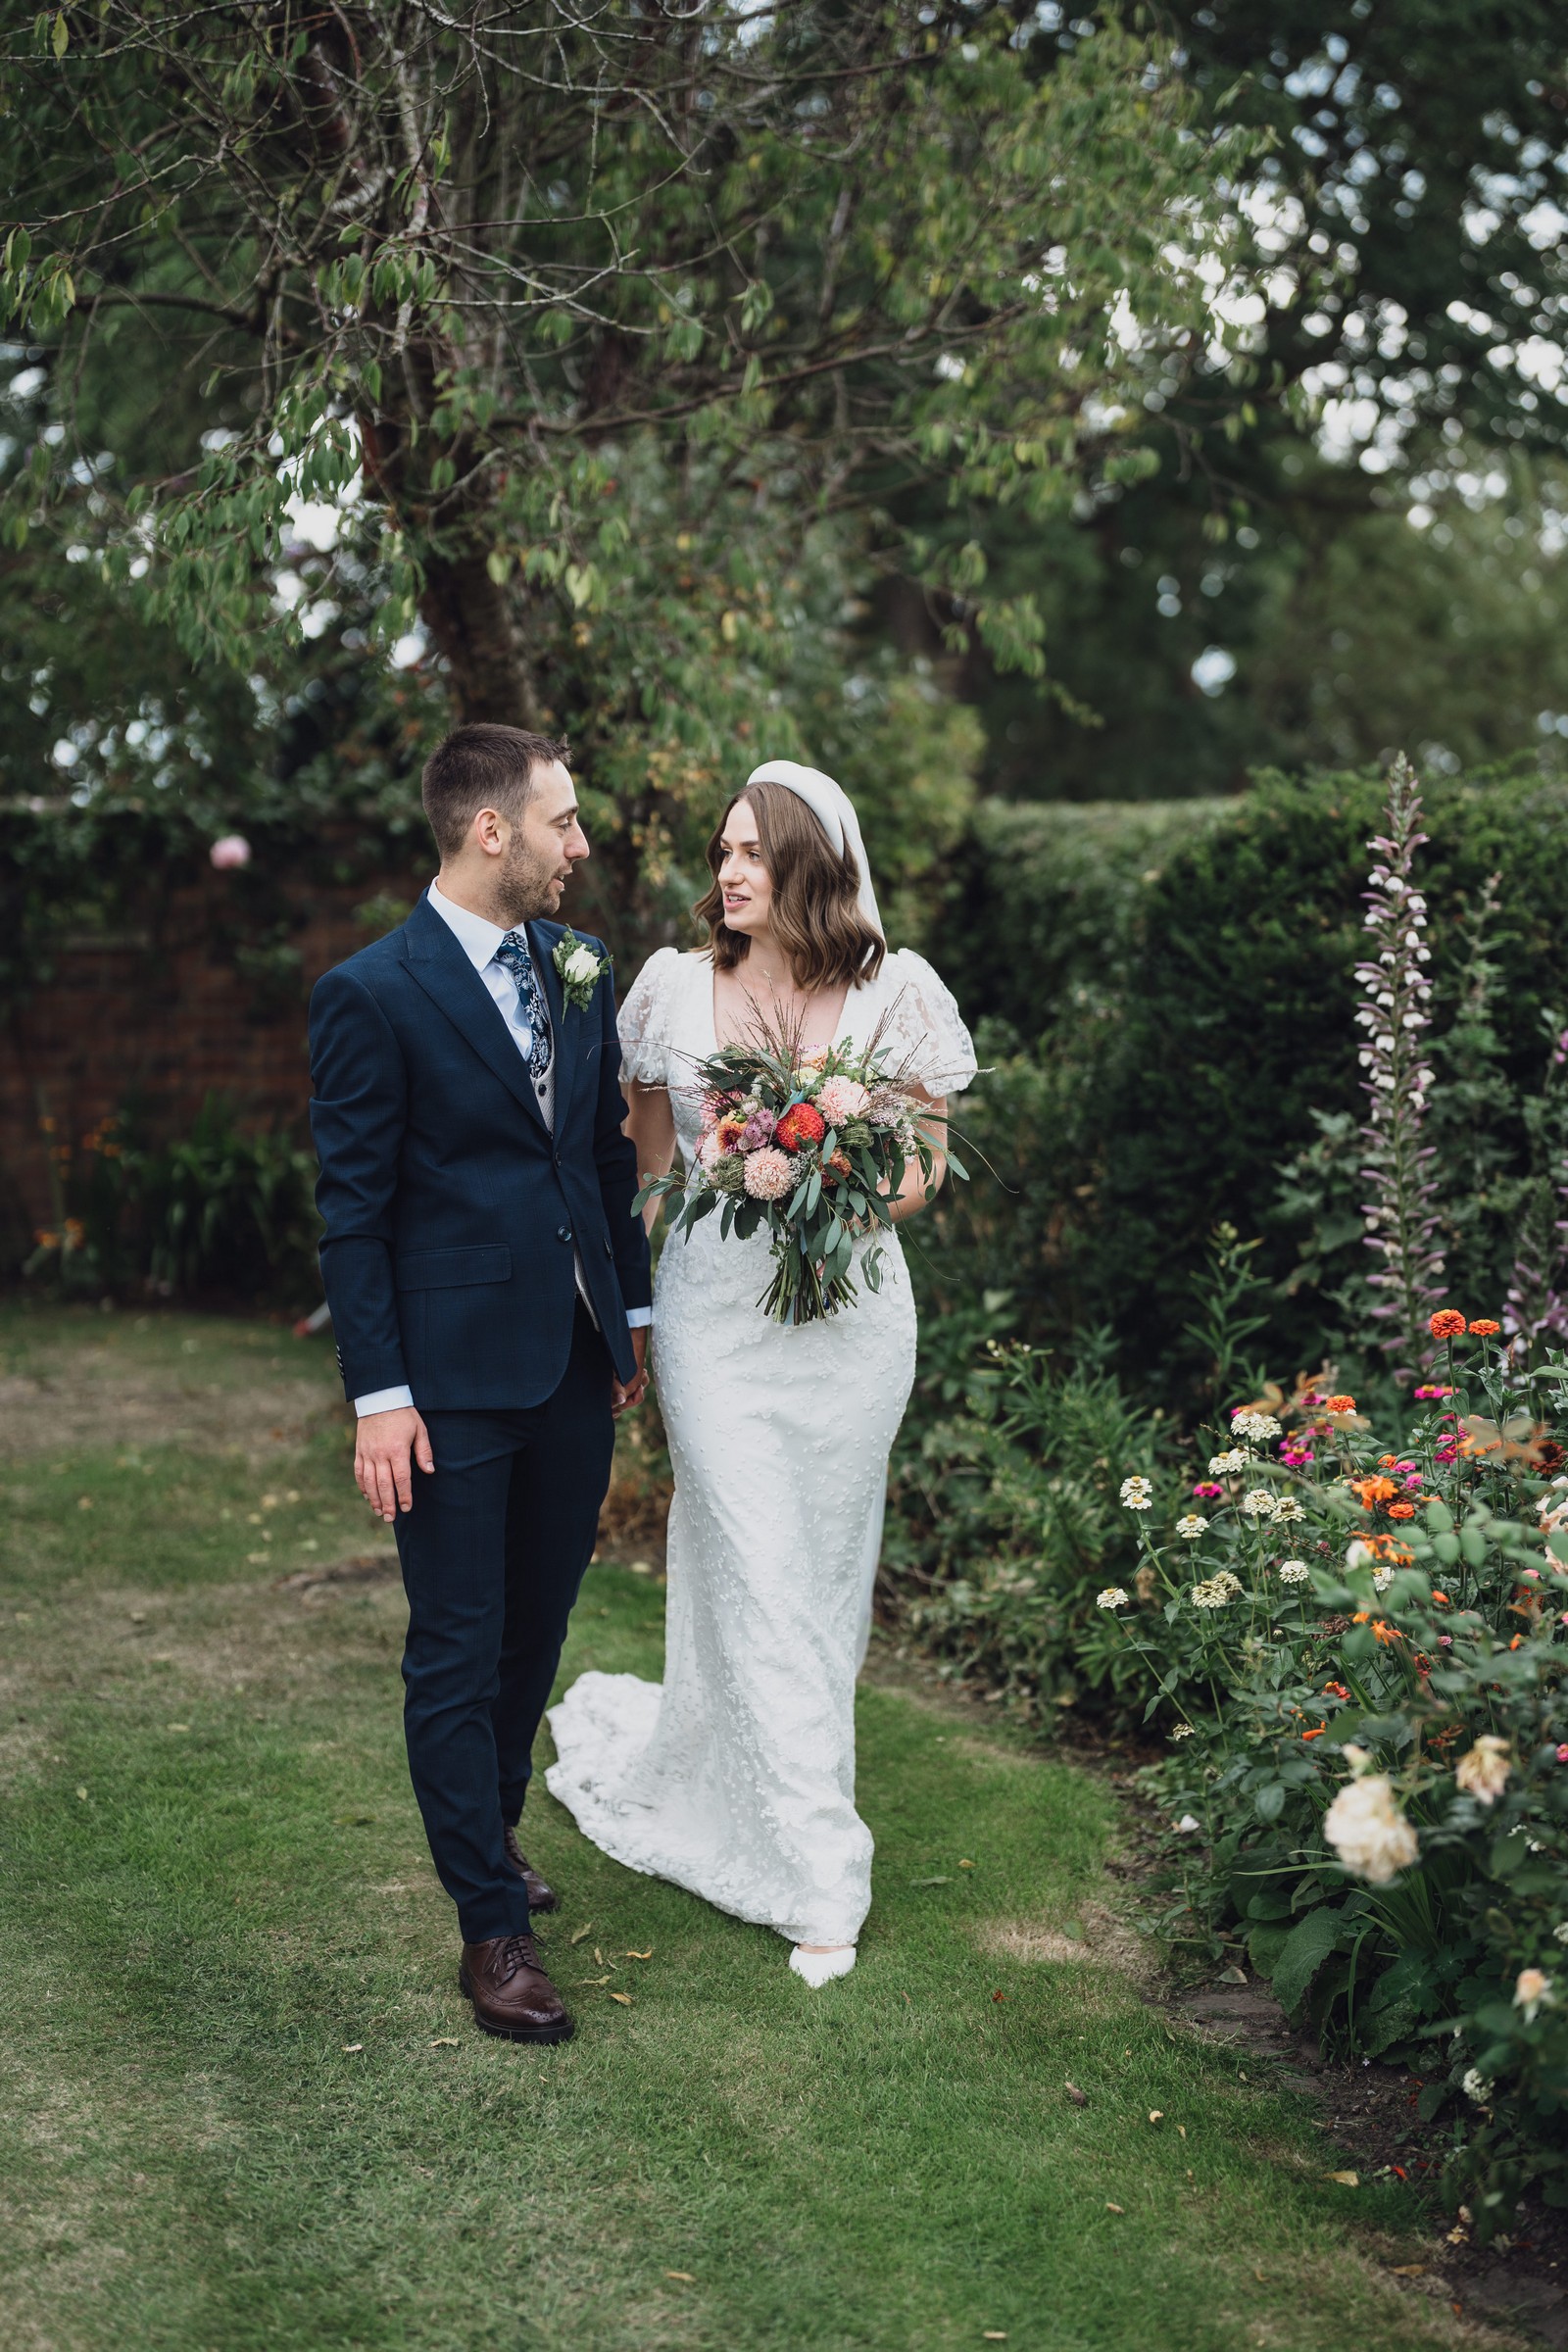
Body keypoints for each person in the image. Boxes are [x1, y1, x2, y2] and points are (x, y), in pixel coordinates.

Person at [546, 760, 976, 1985]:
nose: (727, 872)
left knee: (822, 1574)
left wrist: (841, 1172)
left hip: (851, 1323)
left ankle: (756, 1788)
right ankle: (817, 1875)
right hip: (715, 1320)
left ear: (810, 868)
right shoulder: (673, 992)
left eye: (750, 852)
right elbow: (635, 1166)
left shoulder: (898, 991)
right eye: (722, 850)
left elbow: (925, 1170)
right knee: (749, 1554)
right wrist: (613, 1305)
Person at [308, 723, 652, 2044]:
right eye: (562, 822)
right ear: (490, 830)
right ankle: (489, 1933)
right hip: (446, 1380)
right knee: (455, 1646)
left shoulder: (577, 968)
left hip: (569, 1360)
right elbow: (356, 1212)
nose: (581, 845)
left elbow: (602, 1160)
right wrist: (378, 1394)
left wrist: (625, 1316)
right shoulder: (373, 993)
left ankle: (492, 1834)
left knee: (536, 1628)